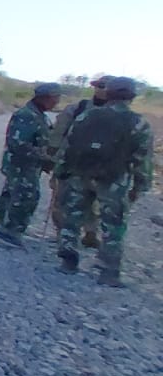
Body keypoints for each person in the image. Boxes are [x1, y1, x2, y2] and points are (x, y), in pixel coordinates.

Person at [54, 76, 154, 286]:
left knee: (72, 217)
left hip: (80, 174)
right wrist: (140, 185)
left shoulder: (86, 116)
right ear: (132, 97)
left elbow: (68, 146)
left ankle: (68, 261)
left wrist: (60, 171)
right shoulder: (139, 122)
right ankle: (109, 271)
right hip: (113, 180)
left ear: (108, 94)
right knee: (113, 225)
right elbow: (142, 158)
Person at [0, 82, 61, 248]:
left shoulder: (40, 115)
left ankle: (3, 224)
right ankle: (10, 231)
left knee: (13, 193)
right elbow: (18, 144)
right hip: (21, 164)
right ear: (45, 98)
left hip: (29, 165)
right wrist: (44, 157)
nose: (57, 102)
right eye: (55, 98)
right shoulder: (26, 115)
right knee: (26, 196)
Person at [49, 76, 110, 245]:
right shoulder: (77, 108)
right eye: (99, 86)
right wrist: (52, 156)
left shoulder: (118, 114)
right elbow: (58, 132)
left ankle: (90, 233)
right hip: (71, 163)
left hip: (101, 167)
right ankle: (62, 232)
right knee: (62, 198)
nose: (102, 90)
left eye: (105, 87)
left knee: (95, 202)